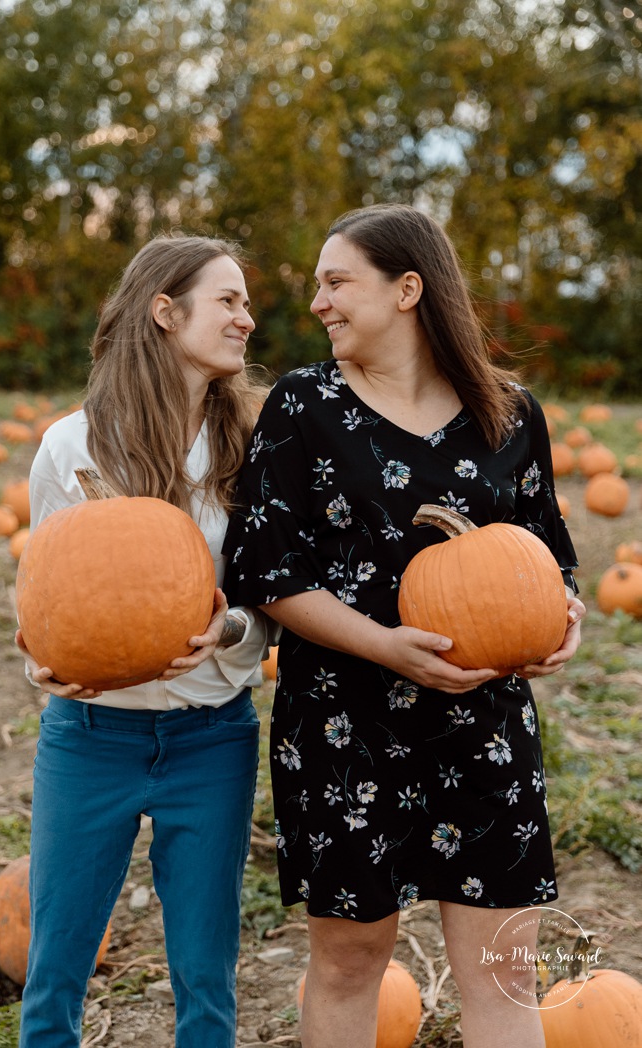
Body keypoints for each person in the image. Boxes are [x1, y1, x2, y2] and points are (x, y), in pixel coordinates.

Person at [223, 203, 586, 1048]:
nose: (318, 301)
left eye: (337, 281)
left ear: (407, 290)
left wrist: (563, 620)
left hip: (482, 726)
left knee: (503, 973)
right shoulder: (303, 406)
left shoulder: (507, 413)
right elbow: (266, 571)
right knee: (349, 965)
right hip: (345, 724)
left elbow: (549, 556)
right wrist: (383, 645)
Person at [15, 232, 275, 1048]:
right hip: (90, 736)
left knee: (206, 974)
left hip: (211, 735)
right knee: (55, 967)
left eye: (245, 302)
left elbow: (269, 601)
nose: (247, 317)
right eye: (227, 300)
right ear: (166, 311)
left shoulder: (252, 447)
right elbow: (50, 589)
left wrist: (227, 630)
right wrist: (39, 655)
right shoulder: (72, 446)